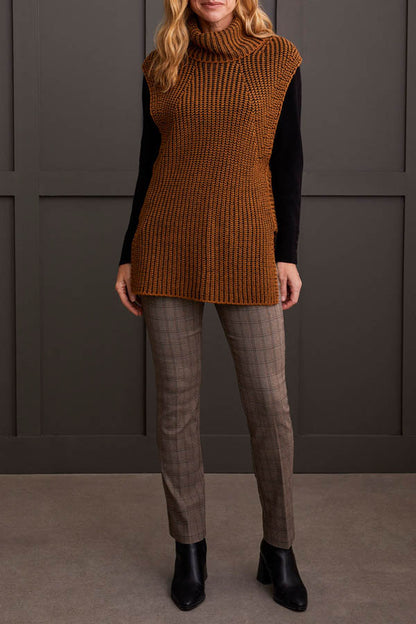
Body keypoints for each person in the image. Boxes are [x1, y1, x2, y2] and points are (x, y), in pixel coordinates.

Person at [115, 0, 307, 612]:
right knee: (177, 406)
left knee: (269, 405)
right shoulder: (162, 63)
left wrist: (286, 254)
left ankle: (279, 548)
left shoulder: (278, 59)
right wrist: (128, 254)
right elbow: (149, 164)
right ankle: (188, 549)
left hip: (248, 247)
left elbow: (289, 161)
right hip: (165, 245)